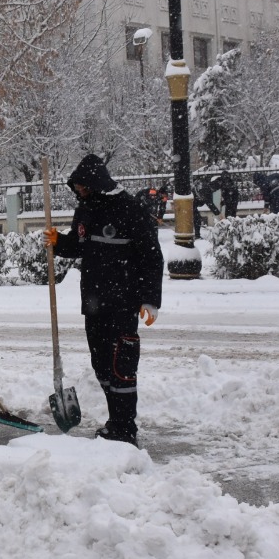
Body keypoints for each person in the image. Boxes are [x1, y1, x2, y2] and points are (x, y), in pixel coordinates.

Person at [44, 153, 164, 446]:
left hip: (123, 303)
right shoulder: (86, 210)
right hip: (94, 303)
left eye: (83, 187)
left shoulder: (129, 209)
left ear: (96, 183)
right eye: (77, 188)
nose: (80, 192)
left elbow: (151, 256)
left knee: (122, 368)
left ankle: (125, 429)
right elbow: (80, 245)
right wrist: (60, 242)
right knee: (101, 366)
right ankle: (115, 423)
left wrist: (150, 299)